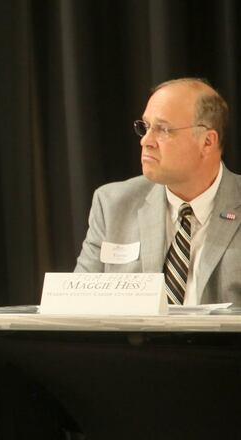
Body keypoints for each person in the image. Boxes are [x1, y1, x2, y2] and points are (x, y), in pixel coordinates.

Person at [75, 77, 241, 305]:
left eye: (163, 130)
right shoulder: (113, 204)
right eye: (145, 127)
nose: (146, 141)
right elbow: (77, 305)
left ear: (207, 142)